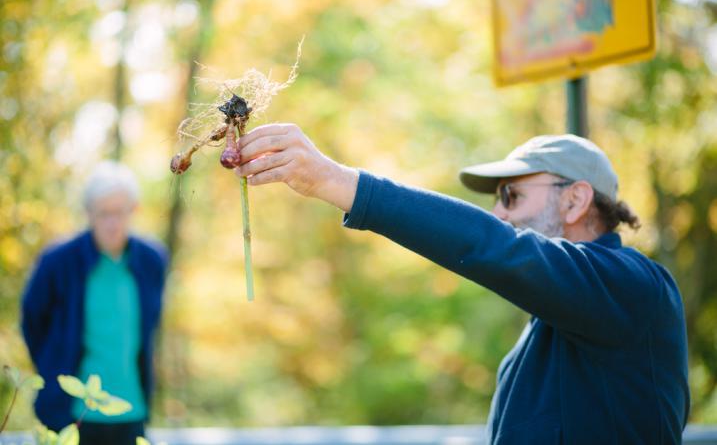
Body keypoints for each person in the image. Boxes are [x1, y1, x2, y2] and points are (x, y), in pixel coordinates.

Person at [234, 124, 689, 444]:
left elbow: (499, 248)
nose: (500, 213)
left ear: (575, 200)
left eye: (512, 195)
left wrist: (337, 182)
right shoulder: (552, 324)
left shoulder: (637, 287)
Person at [21, 161, 168, 445]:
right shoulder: (57, 262)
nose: (113, 223)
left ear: (133, 210)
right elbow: (32, 322)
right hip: (70, 414)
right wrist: (54, 368)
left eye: (120, 213)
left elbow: (150, 329)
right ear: (89, 214)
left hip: (131, 409)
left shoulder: (152, 260)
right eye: (103, 214)